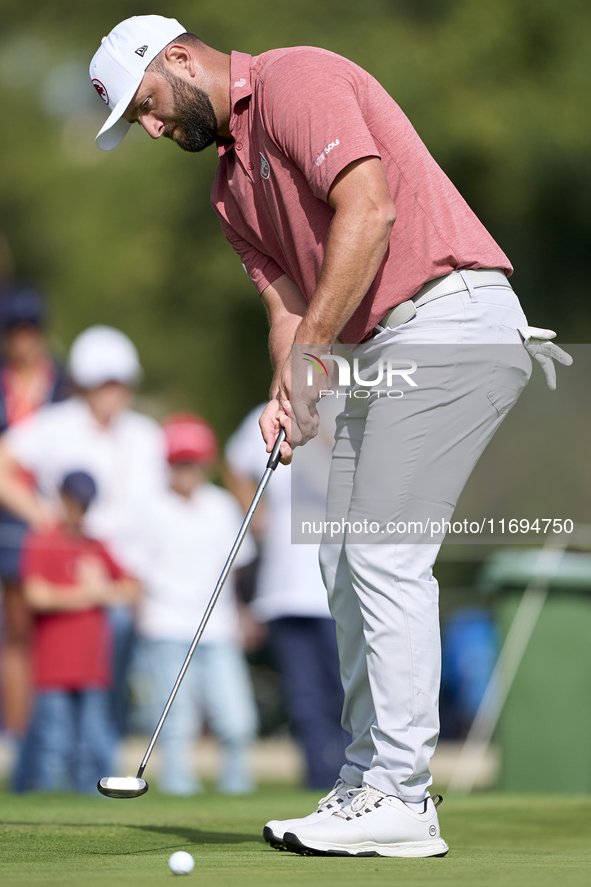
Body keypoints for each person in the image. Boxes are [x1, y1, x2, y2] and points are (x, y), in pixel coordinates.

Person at [88, 15, 572, 857]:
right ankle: (363, 781)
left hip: (452, 317)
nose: (155, 127)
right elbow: (285, 311)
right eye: (140, 123)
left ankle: (401, 793)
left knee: (383, 548)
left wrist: (311, 354)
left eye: (149, 106)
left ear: (176, 57)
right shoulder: (228, 191)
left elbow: (370, 212)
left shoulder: (294, 80)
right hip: (379, 348)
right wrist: (291, 390)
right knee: (337, 557)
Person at [0, 325, 166, 739]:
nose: (112, 393)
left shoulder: (146, 435)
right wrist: (43, 518)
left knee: (112, 680)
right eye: (102, 384)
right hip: (70, 577)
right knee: (60, 680)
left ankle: (95, 762)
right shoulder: (55, 425)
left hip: (128, 577)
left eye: (119, 383)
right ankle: (50, 765)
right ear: (83, 385)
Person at [131, 413, 258, 795]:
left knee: (236, 718)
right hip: (165, 625)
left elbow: (234, 569)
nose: (186, 471)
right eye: (179, 462)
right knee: (175, 721)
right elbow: (136, 570)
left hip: (217, 627)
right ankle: (177, 788)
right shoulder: (148, 507)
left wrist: (240, 614)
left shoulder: (221, 506)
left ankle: (237, 788)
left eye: (193, 462)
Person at [225, 403, 348, 790]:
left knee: (345, 696)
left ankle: (355, 784)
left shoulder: (354, 403)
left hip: (340, 590)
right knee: (305, 701)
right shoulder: (278, 411)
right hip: (284, 590)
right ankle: (319, 787)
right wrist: (256, 514)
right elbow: (233, 461)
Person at [19, 470, 139, 791]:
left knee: (91, 745)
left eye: (84, 504)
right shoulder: (44, 540)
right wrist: (86, 595)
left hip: (91, 665)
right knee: (53, 743)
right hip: (53, 665)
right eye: (74, 501)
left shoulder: (96, 545)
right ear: (62, 497)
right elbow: (35, 595)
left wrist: (104, 591)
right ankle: (46, 811)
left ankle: (90, 810)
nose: (78, 510)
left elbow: (131, 586)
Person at [0, 287, 69, 752]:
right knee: (14, 633)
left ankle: (54, 739)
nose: (23, 339)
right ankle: (20, 738)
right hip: (9, 523)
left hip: (57, 522)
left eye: (30, 329)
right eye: (14, 330)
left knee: (56, 635)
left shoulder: (62, 385)